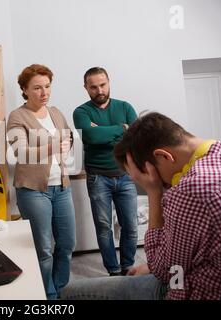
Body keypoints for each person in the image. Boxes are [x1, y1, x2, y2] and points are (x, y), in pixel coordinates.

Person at [62, 112, 221, 299]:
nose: (165, 185)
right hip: (204, 271)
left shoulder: (192, 190)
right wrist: (154, 266)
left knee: (69, 292)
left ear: (163, 156)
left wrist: (154, 192)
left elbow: (163, 270)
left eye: (153, 177)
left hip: (191, 288)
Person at [7, 64, 76, 299]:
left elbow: (68, 136)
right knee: (44, 249)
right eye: (37, 88)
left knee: (67, 243)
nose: (44, 92)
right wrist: (53, 146)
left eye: (47, 86)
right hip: (33, 191)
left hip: (62, 187)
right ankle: (48, 295)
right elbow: (21, 151)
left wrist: (66, 147)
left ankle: (59, 287)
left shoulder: (55, 112)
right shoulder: (17, 116)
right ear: (25, 90)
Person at [73, 67, 138, 276]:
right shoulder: (81, 112)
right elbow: (91, 138)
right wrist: (122, 129)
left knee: (131, 226)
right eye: (93, 87)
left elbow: (135, 138)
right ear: (86, 88)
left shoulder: (125, 106)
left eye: (103, 85)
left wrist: (101, 130)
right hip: (98, 177)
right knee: (103, 228)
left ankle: (127, 266)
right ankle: (113, 270)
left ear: (109, 82)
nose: (99, 90)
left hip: (126, 175)